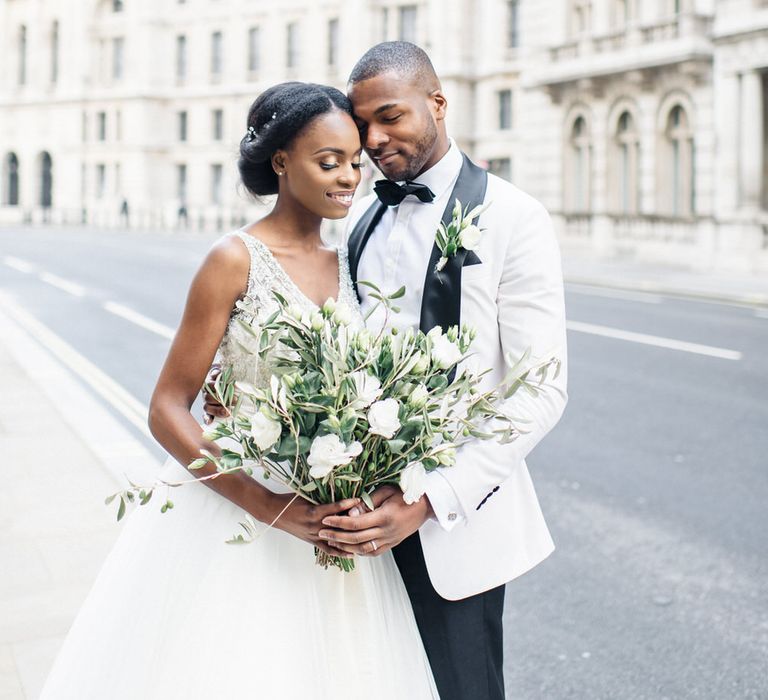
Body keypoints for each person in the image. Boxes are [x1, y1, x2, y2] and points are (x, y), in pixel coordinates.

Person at [40, 82, 439, 700]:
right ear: (282, 161)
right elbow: (167, 407)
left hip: (333, 521)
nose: (349, 178)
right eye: (328, 162)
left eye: (354, 162)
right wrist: (268, 506)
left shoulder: (353, 261)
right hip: (242, 516)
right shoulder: (234, 259)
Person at [208, 42, 569, 700]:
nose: (373, 140)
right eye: (362, 124)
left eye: (391, 117)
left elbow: (539, 391)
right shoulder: (359, 219)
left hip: (454, 527)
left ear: (437, 103)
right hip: (346, 517)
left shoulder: (516, 218)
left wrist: (424, 501)